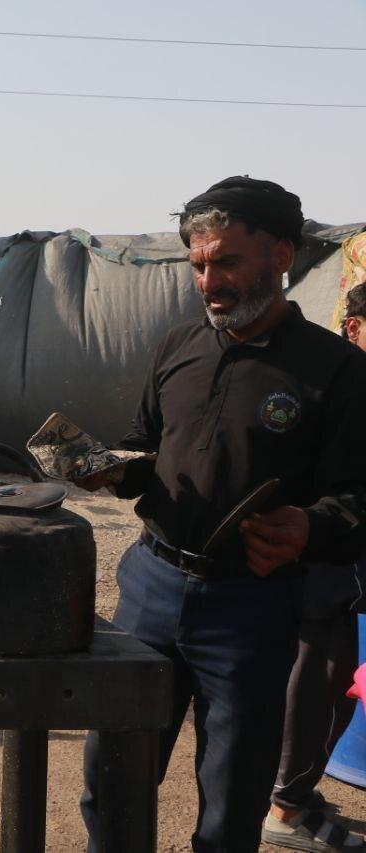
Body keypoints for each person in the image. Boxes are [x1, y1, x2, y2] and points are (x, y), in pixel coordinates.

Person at [77, 177, 366, 852]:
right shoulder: (177, 346)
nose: (210, 282)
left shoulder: (336, 370)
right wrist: (111, 469)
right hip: (149, 590)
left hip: (251, 609)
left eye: (228, 262)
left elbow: (357, 496)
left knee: (231, 801)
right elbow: (145, 444)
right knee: (112, 776)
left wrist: (310, 527)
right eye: (199, 265)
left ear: (281, 255)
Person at [263, 282, 366, 852]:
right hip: (327, 563)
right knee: (320, 677)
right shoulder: (340, 381)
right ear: (354, 327)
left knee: (322, 676)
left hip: (331, 561)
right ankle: (286, 807)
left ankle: (290, 792)